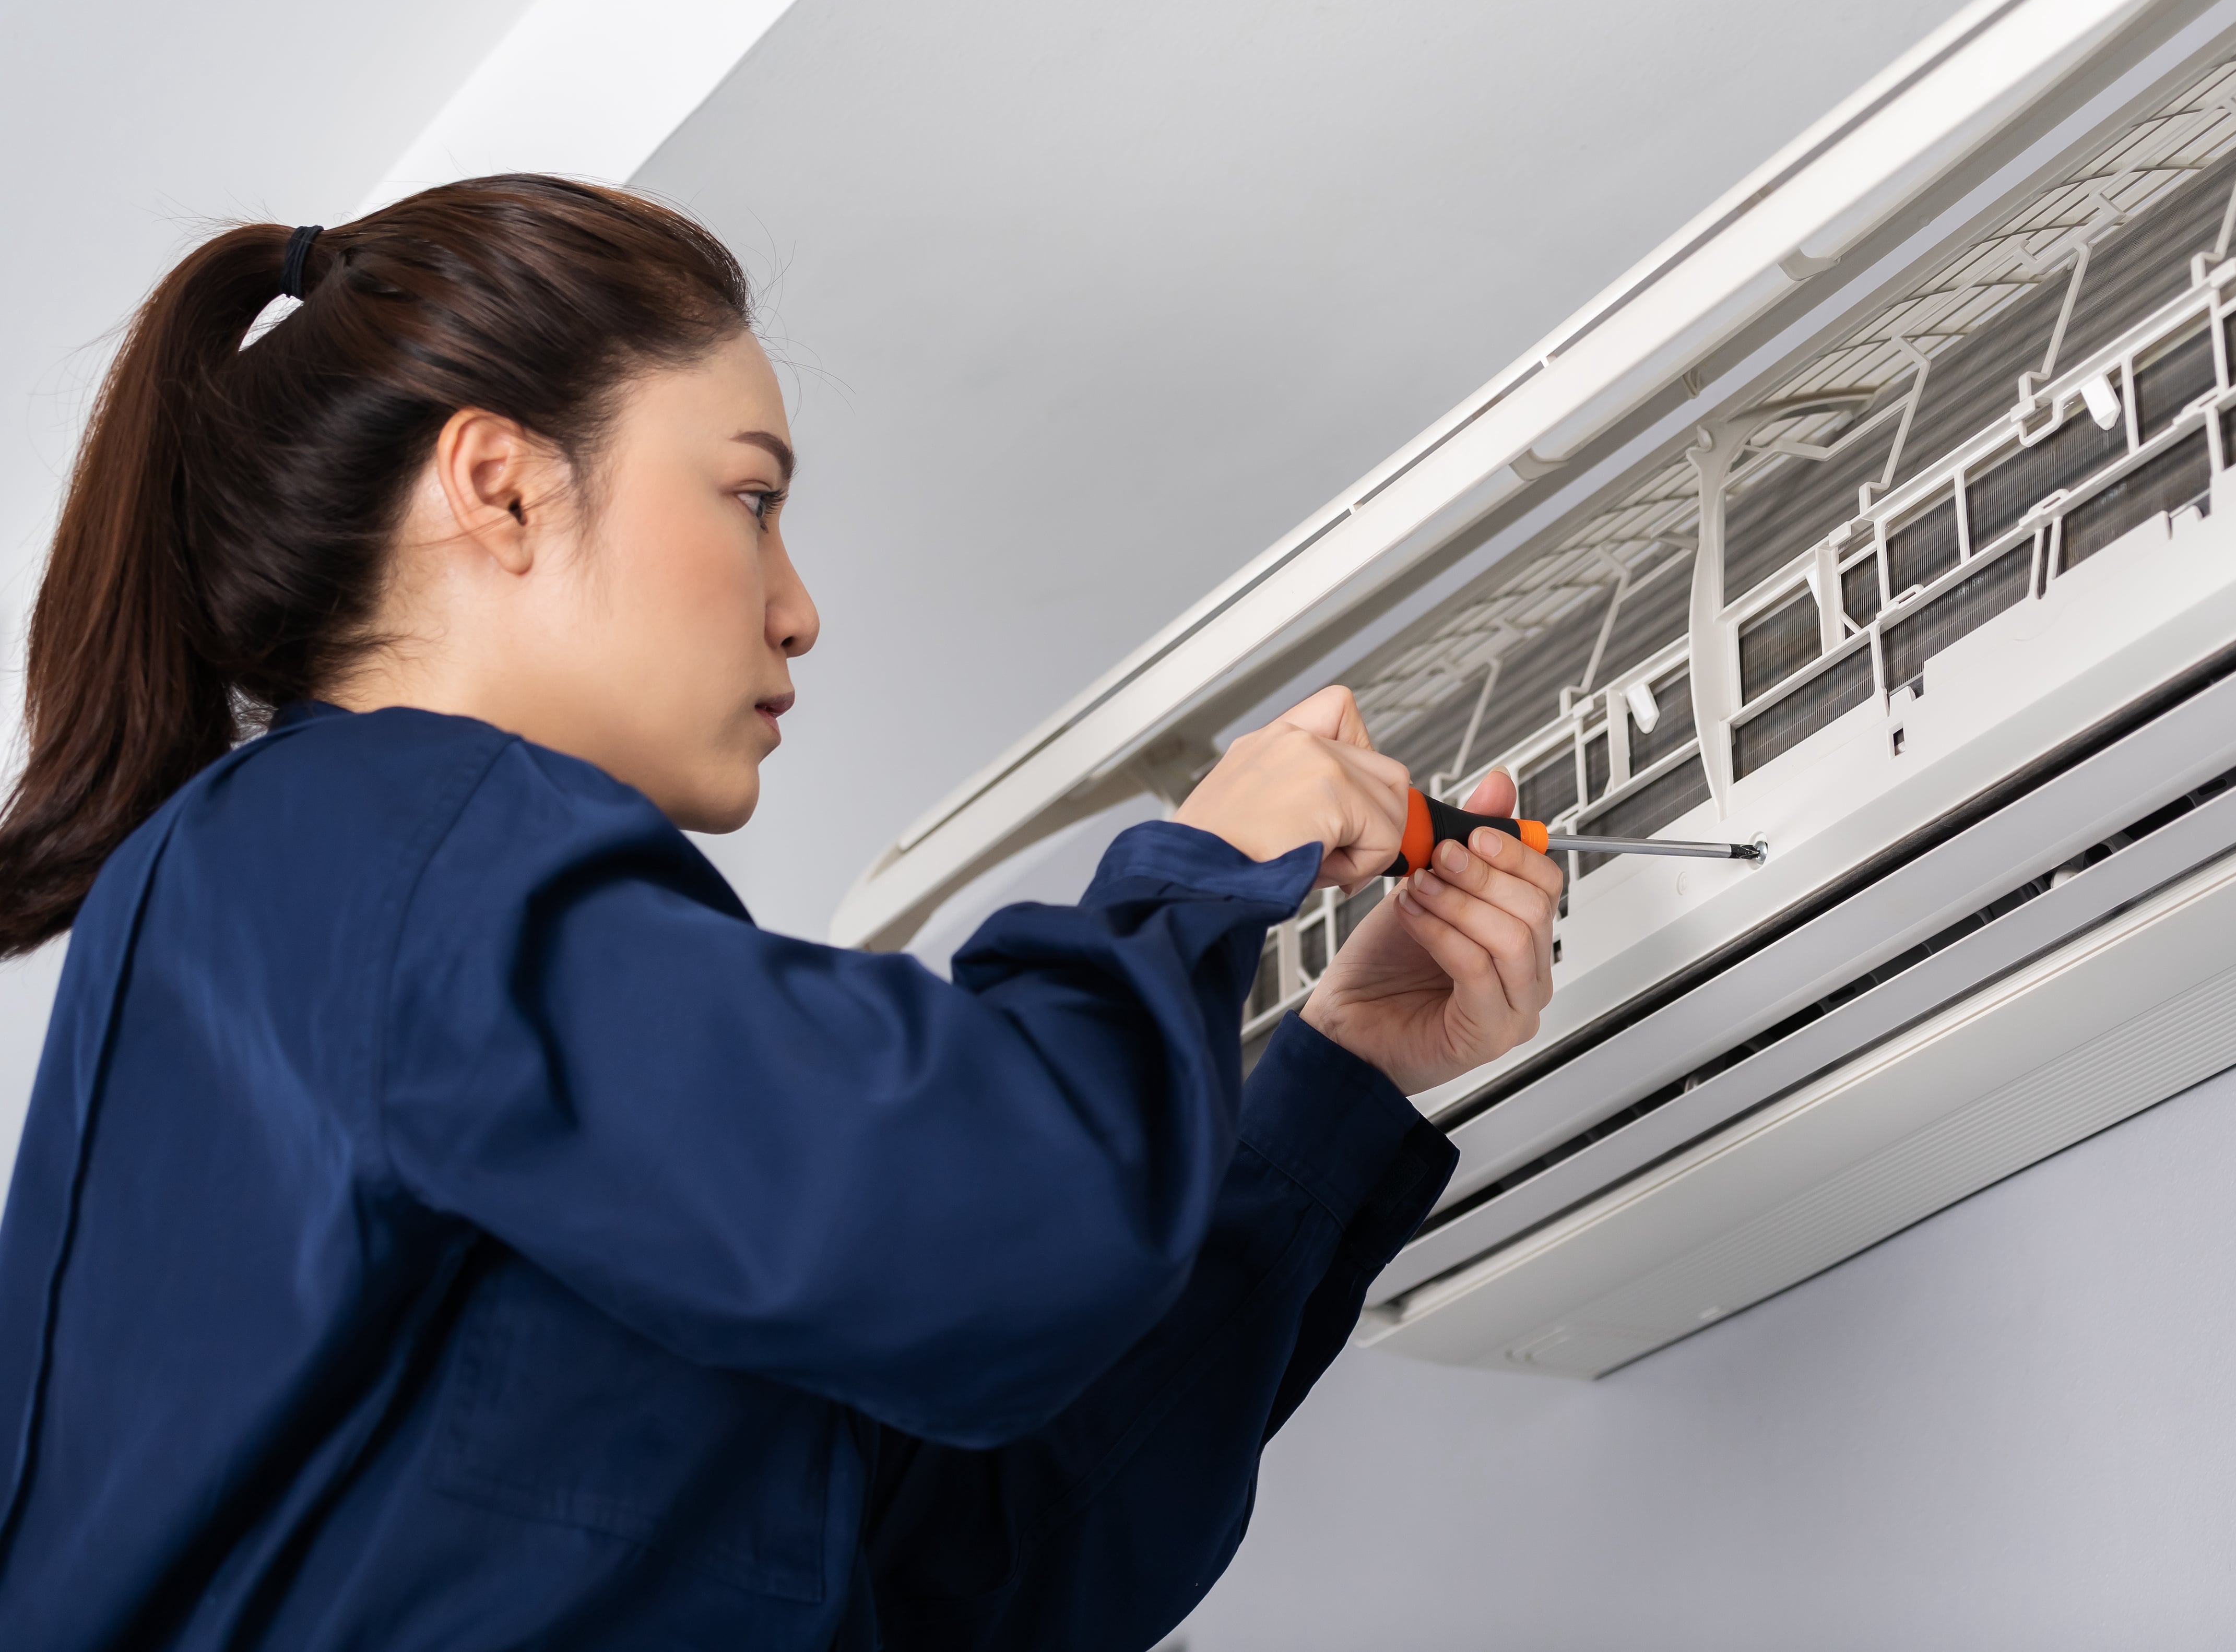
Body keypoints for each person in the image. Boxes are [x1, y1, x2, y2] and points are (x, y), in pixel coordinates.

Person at [0, 178, 1562, 1649]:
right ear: (499, 486)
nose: (796, 603)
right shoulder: (377, 839)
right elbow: (1001, 1230)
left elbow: (960, 1569)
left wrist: (1335, 1084)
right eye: (750, 495)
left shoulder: (336, 918)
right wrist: (1197, 871)